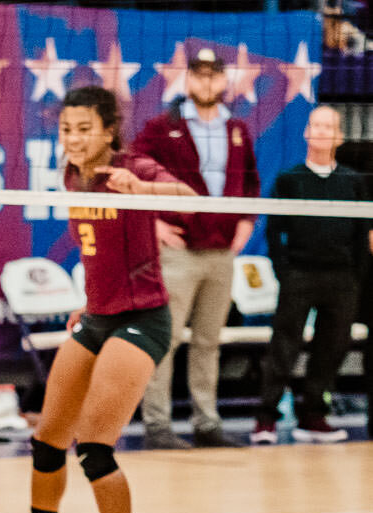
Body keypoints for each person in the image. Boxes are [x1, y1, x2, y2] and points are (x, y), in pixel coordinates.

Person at [0, 87, 193, 513]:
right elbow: (98, 253)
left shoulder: (134, 165)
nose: (74, 138)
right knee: (47, 440)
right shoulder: (71, 175)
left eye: (84, 129)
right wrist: (87, 301)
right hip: (97, 316)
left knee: (95, 449)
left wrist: (142, 190)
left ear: (108, 130)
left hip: (143, 319)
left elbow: (190, 198)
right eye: (66, 130)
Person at [132, 47, 259, 450]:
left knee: (208, 341)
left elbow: (251, 182)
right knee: (165, 340)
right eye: (199, 75)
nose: (206, 82)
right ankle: (158, 425)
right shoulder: (161, 126)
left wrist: (245, 223)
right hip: (179, 251)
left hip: (221, 252)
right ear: (187, 79)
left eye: (214, 75)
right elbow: (129, 173)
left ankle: (207, 423)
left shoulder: (236, 128)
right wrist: (152, 224)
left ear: (224, 81)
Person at [251, 106, 373, 446]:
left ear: (339, 137)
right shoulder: (290, 179)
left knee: (331, 349)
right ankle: (266, 419)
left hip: (342, 279)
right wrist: (285, 271)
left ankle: (314, 416)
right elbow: (274, 231)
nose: (320, 131)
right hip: (300, 276)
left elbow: (363, 231)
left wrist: (355, 275)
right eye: (315, 124)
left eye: (327, 126)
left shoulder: (352, 181)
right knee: (284, 347)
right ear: (306, 132)